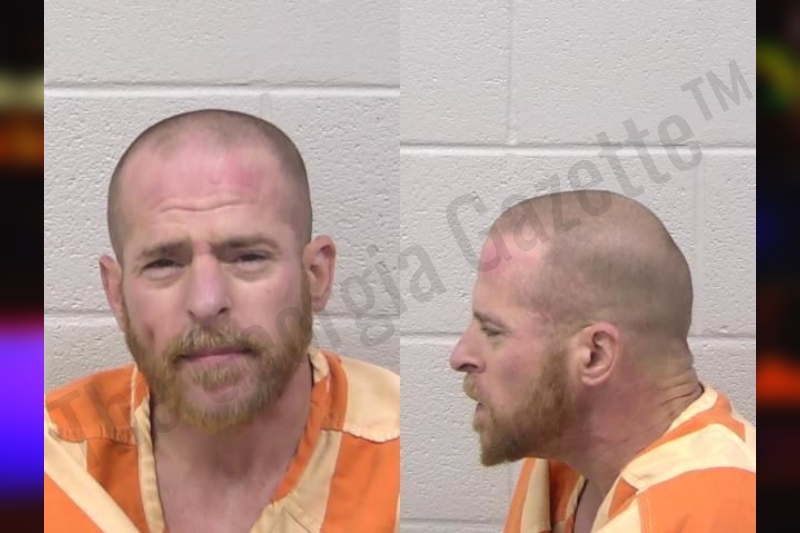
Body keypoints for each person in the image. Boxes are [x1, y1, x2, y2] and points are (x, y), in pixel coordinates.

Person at [44, 110, 399, 533]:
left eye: (248, 257)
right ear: (117, 294)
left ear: (315, 276)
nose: (207, 302)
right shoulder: (42, 463)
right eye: (164, 263)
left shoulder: (398, 450)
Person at [450, 190, 755, 532]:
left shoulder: (715, 514)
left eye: (492, 331)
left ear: (595, 356)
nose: (460, 356)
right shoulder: (561, 453)